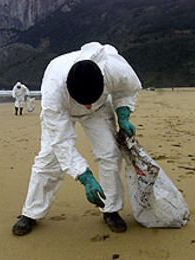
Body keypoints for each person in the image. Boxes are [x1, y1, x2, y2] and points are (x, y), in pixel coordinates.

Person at [12, 42, 142, 236]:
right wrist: (85, 176)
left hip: (100, 109)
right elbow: (62, 142)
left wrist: (123, 114)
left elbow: (127, 89)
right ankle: (31, 212)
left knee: (110, 154)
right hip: (63, 111)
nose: (86, 107)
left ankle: (111, 210)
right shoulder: (53, 91)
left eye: (90, 101)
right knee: (48, 160)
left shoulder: (113, 67)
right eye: (84, 102)